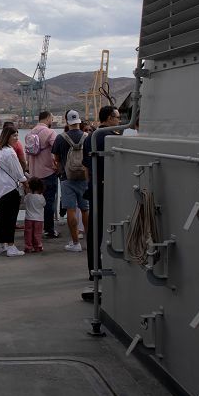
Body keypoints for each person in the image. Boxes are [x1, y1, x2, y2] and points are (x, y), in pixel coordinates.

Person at [82, 105, 123, 299]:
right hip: (107, 188)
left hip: (95, 188)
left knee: (94, 231)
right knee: (109, 228)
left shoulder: (91, 136)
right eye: (117, 116)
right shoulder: (108, 137)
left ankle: (94, 268)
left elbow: (86, 165)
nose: (120, 120)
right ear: (108, 118)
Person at [52, 109, 88, 253]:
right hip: (84, 178)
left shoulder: (61, 138)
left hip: (67, 178)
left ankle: (75, 243)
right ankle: (90, 241)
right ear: (79, 121)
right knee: (85, 209)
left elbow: (56, 159)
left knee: (71, 210)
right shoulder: (87, 136)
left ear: (67, 122)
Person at [0, 126, 27, 257]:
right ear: (7, 137)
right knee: (11, 219)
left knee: (2, 218)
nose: (17, 138)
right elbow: (18, 172)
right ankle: (11, 246)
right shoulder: (10, 153)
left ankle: (1, 244)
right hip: (11, 188)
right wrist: (25, 182)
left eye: (17, 135)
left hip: (0, 189)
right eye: (14, 136)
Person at [24, 111, 59, 238]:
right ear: (48, 118)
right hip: (48, 172)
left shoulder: (29, 133)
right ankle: (49, 230)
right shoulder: (50, 132)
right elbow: (56, 149)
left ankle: (34, 228)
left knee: (34, 203)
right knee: (49, 202)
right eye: (52, 118)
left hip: (34, 174)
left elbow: (27, 155)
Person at [22, 177, 46, 253]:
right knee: (37, 233)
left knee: (28, 234)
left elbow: (25, 201)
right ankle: (38, 246)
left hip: (28, 218)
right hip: (39, 219)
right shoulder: (41, 197)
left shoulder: (28, 196)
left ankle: (28, 246)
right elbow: (44, 204)